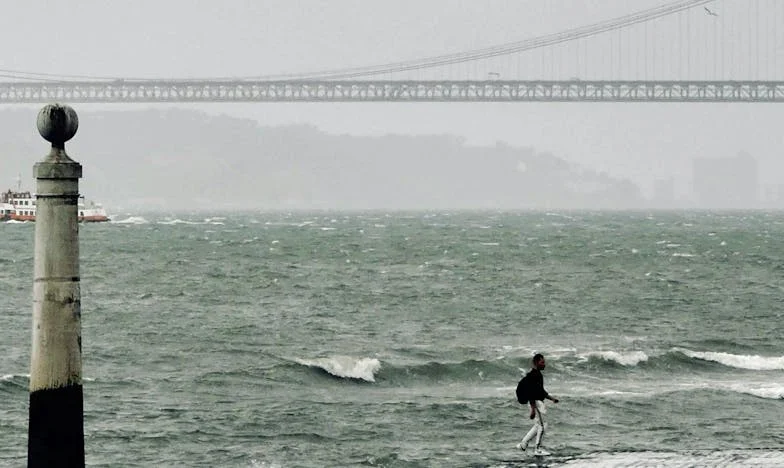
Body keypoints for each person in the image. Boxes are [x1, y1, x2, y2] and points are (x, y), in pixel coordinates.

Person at [517, 353, 559, 455]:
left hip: (537, 402)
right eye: (542, 362)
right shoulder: (534, 375)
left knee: (538, 425)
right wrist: (532, 409)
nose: (544, 364)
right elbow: (531, 393)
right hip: (535, 403)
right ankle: (537, 449)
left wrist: (552, 399)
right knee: (543, 426)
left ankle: (523, 444)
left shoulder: (537, 375)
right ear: (536, 363)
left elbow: (540, 391)